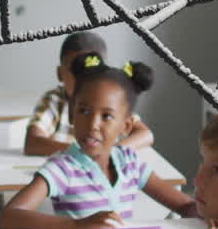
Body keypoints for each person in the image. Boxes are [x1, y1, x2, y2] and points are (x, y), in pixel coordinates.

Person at [0, 54, 195, 229]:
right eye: (83, 111)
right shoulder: (63, 167)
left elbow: (185, 206)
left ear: (125, 126)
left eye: (106, 116)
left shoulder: (130, 163)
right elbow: (10, 216)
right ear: (71, 115)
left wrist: (211, 214)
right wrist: (78, 225)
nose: (92, 124)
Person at [23, 31, 153, 155]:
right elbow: (32, 143)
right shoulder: (56, 100)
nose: (82, 79)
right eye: (75, 71)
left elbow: (145, 135)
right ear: (60, 73)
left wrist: (111, 152)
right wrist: (86, 152)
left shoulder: (113, 101)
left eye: (92, 71)